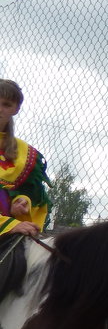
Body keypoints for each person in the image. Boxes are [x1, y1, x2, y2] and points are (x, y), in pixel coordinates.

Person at [0, 79, 51, 238]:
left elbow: (33, 194)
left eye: (6, 104)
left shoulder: (26, 153)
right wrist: (9, 225)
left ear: (16, 109)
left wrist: (22, 202)